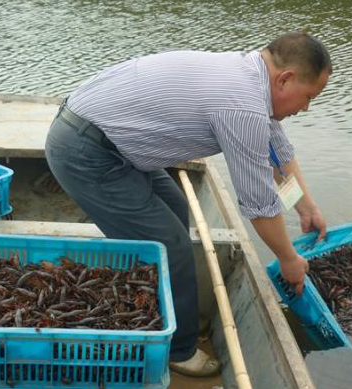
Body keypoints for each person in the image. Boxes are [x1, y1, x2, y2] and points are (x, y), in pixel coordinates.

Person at [45, 31, 331, 377]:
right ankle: (179, 351)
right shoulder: (241, 106)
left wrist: (306, 207)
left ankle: (162, 305)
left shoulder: (250, 77)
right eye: (308, 97)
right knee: (172, 245)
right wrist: (288, 260)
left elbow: (278, 156)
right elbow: (258, 205)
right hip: (87, 152)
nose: (305, 108)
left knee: (177, 211)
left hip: (113, 142)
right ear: (285, 79)